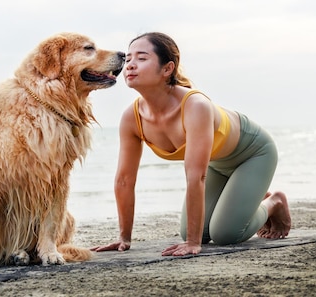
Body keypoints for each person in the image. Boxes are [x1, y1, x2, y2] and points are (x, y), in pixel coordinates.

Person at [90, 32, 291, 257]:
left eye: (142, 58)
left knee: (226, 234)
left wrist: (193, 244)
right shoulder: (132, 117)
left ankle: (273, 202)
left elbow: (196, 176)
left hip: (253, 154)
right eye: (128, 59)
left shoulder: (195, 106)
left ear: (167, 69)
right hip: (217, 163)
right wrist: (123, 238)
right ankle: (246, 195)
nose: (130, 65)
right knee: (193, 231)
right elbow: (124, 180)